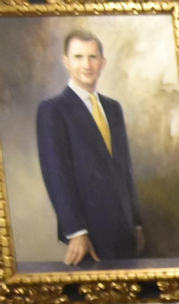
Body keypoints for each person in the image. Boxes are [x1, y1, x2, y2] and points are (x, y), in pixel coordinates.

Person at [36, 29, 143, 265]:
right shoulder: (53, 110)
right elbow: (56, 175)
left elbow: (124, 171)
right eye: (78, 57)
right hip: (89, 236)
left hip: (124, 232)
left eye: (93, 57)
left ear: (102, 62)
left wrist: (135, 222)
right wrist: (77, 232)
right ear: (66, 62)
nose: (87, 64)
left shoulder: (113, 108)